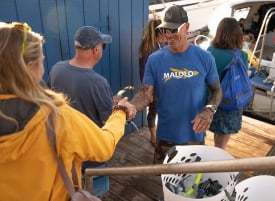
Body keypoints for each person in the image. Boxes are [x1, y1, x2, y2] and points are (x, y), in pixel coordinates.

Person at [0, 22, 136, 201]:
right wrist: (120, 112)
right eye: (41, 62)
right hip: (87, 162)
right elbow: (104, 143)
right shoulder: (58, 117)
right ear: (30, 67)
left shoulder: (57, 68)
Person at [130, 5, 222, 164]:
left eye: (173, 30)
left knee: (192, 184)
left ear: (186, 27)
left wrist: (209, 110)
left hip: (195, 137)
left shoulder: (205, 58)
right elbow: (145, 94)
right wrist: (130, 107)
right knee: (164, 183)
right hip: (165, 137)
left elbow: (217, 91)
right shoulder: (155, 59)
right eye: (165, 30)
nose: (168, 35)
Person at [47, 25, 117, 196]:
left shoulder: (57, 68)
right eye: (102, 46)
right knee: (94, 195)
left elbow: (50, 100)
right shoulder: (98, 83)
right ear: (96, 50)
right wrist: (119, 108)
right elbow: (108, 122)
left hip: (65, 157)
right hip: (91, 159)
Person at [207, 17, 248, 149]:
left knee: (214, 136)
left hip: (213, 99)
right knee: (222, 142)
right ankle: (217, 165)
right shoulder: (242, 55)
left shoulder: (210, 51)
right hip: (232, 100)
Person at [139, 18, 166, 146]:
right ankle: (153, 136)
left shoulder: (163, 45)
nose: (166, 35)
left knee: (160, 110)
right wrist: (148, 92)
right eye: (164, 32)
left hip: (165, 86)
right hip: (154, 88)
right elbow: (144, 72)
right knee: (153, 110)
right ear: (158, 33)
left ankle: (159, 134)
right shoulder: (148, 48)